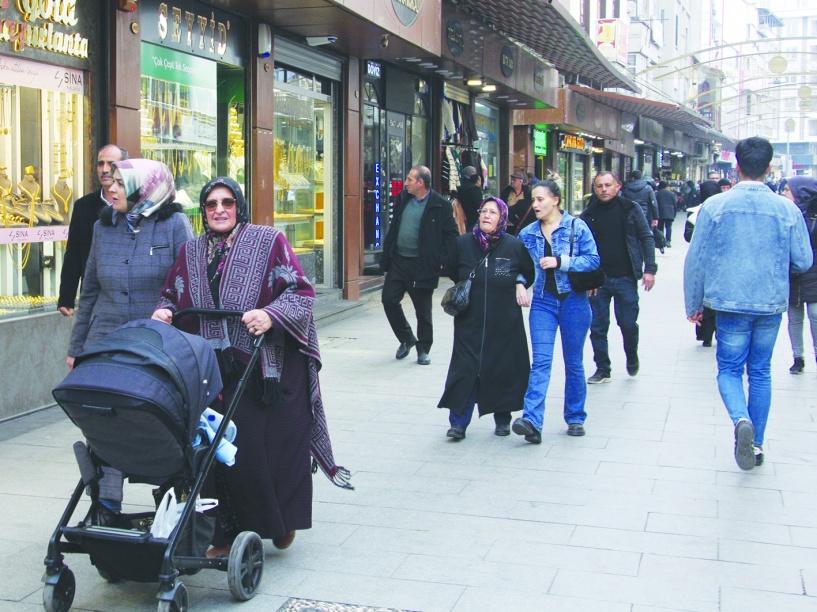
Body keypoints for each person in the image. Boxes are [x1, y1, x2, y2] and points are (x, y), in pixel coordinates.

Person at [153, 177, 351, 556]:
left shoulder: (268, 241)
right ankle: (223, 535)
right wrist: (164, 310)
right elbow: (171, 295)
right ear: (203, 211)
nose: (219, 210)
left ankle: (280, 521)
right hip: (207, 368)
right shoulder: (190, 251)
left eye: (227, 202)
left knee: (262, 449)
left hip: (262, 367)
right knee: (212, 449)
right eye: (211, 204)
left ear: (239, 206)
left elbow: (300, 291)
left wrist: (270, 314)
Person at [65, 158, 192, 523]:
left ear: (144, 188)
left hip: (154, 346)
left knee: (156, 420)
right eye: (111, 181)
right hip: (105, 343)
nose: (111, 187)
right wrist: (76, 348)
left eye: (121, 183)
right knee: (104, 420)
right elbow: (90, 291)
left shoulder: (174, 224)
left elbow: (188, 285)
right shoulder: (103, 226)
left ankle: (169, 502)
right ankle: (105, 505)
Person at [684, 137, 812, 470]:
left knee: (729, 369)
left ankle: (741, 419)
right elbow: (803, 260)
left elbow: (696, 259)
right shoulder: (788, 210)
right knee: (760, 372)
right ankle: (755, 444)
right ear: (769, 169)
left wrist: (694, 303)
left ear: (737, 167)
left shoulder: (715, 206)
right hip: (769, 303)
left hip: (729, 303)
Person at [438, 196, 534, 440]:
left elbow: (527, 271)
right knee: (465, 369)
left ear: (502, 218)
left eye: (493, 212)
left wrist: (520, 283)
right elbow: (452, 270)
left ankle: (502, 419)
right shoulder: (463, 243)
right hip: (469, 321)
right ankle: (458, 423)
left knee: (501, 367)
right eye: (483, 211)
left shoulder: (513, 245)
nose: (486, 215)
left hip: (504, 321)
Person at [512, 180, 600, 443]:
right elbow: (520, 266)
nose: (535, 204)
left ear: (555, 200)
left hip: (574, 301)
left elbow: (593, 260)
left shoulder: (576, 227)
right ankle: (531, 420)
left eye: (540, 199)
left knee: (573, 362)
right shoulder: (527, 233)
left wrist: (561, 262)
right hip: (543, 302)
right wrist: (519, 283)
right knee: (541, 361)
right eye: (533, 200)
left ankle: (575, 417)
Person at [581, 171, 657, 383]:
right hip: (599, 281)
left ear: (618, 186)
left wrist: (650, 269)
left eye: (608, 185)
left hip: (626, 277)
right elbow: (581, 248)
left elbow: (646, 237)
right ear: (594, 189)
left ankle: (631, 355)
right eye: (599, 186)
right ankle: (603, 368)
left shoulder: (630, 209)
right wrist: (587, 278)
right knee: (597, 326)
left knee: (628, 323)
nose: (604, 189)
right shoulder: (588, 214)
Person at [380, 166, 459, 365]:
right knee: (389, 299)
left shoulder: (440, 205)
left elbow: (452, 235)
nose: (406, 183)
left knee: (422, 311)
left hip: (422, 265)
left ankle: (423, 349)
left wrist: (439, 259)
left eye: (410, 179)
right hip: (399, 260)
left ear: (421, 183)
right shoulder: (403, 199)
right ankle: (407, 338)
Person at [58, 145, 128, 317]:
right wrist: (66, 297)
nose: (105, 169)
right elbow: (74, 252)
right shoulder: (83, 206)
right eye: (100, 164)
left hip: (127, 293)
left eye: (111, 164)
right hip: (94, 294)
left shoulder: (135, 204)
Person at [781, 177, 817, 375]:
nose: (784, 193)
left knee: (815, 315)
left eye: (788, 190)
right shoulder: (787, 214)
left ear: (801, 193)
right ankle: (798, 357)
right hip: (793, 274)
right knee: (794, 317)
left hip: (814, 274)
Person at [453, 165, 483, 233]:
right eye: (473, 172)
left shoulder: (461, 186)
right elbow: (478, 204)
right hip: (472, 218)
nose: (474, 174)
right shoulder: (474, 189)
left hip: (462, 217)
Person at [655, 181, 677, 247]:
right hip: (670, 212)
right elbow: (675, 205)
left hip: (660, 212)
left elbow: (655, 205)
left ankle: (661, 241)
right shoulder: (671, 194)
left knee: (660, 228)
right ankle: (668, 241)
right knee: (668, 227)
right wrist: (674, 214)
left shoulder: (658, 194)